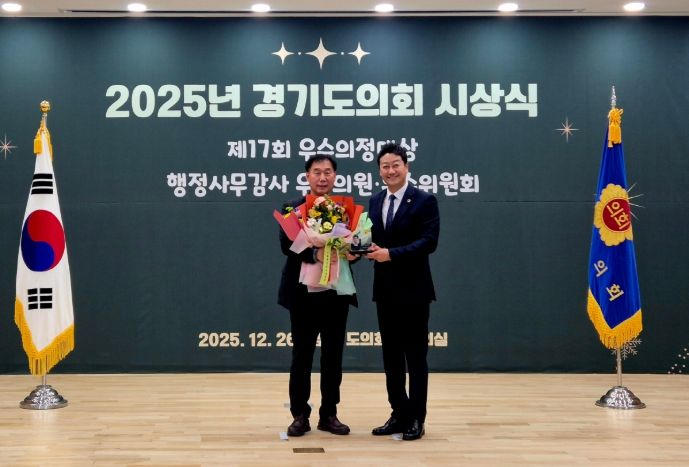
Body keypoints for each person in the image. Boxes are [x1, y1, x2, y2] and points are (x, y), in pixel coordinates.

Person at [277, 154, 357, 437]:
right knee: (302, 355)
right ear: (307, 176)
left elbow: (355, 244)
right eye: (316, 172)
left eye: (327, 172)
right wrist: (315, 253)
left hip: (335, 292)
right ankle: (300, 415)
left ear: (335, 176)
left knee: (333, 356)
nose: (322, 177)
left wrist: (353, 251)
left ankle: (329, 414)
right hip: (302, 294)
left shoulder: (345, 209)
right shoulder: (292, 207)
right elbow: (287, 245)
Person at [366, 143, 440, 441]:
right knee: (391, 357)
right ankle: (398, 413)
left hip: (414, 291)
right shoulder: (375, 200)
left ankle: (416, 418)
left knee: (416, 357)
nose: (390, 171)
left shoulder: (424, 200)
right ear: (379, 170)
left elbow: (429, 242)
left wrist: (391, 254)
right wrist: (361, 248)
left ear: (406, 166)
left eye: (395, 164)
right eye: (385, 166)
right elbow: (371, 238)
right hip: (384, 291)